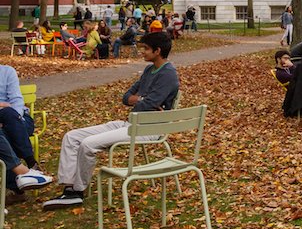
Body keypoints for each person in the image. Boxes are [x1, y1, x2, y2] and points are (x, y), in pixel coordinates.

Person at [43, 32, 180, 209]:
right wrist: (140, 99)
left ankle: (77, 191)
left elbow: (149, 104)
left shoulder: (168, 74)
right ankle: (69, 188)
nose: (142, 52)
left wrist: (141, 100)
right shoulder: (148, 70)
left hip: (147, 129)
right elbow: (127, 97)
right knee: (72, 137)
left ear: (158, 50)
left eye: (145, 48)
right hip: (131, 123)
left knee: (88, 144)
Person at [0, 63, 55, 198]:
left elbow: (17, 103)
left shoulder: (7, 72)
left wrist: (12, 117)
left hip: (20, 120)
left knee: (8, 114)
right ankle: (29, 170)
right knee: (3, 134)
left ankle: (26, 167)